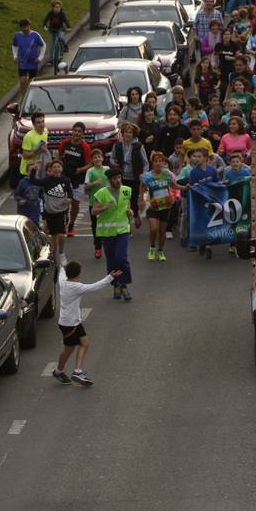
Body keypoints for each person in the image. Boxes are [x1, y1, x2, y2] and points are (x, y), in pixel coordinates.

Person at [52, 261, 124, 386]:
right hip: (71, 324)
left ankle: (67, 371)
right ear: (78, 274)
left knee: (81, 344)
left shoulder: (63, 282)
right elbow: (95, 286)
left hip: (68, 322)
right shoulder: (76, 287)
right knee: (70, 348)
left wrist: (60, 265)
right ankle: (71, 371)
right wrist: (110, 277)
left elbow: (61, 273)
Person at [91, 167, 137, 300]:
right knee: (111, 261)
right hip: (107, 232)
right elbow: (93, 212)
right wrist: (105, 207)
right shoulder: (101, 193)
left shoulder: (127, 190)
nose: (118, 180)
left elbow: (127, 207)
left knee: (121, 258)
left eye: (119, 178)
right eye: (115, 178)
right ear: (109, 180)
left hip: (122, 230)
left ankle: (124, 285)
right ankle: (115, 284)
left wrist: (131, 213)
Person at [139, 151, 178, 262]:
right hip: (153, 206)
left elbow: (174, 186)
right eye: (156, 161)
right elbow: (142, 187)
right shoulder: (147, 176)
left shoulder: (167, 174)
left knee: (162, 231)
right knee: (154, 229)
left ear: (163, 163)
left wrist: (184, 188)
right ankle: (152, 247)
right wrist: (141, 200)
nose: (158, 163)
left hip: (166, 206)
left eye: (160, 161)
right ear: (152, 163)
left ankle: (160, 251)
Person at [12, 18, 46, 101]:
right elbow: (14, 46)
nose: (25, 29)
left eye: (27, 27)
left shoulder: (35, 35)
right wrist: (15, 56)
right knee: (22, 81)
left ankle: (31, 97)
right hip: (22, 62)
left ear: (29, 26)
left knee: (32, 82)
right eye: (23, 27)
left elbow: (43, 45)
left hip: (33, 62)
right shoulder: (17, 36)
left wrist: (40, 58)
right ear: (21, 28)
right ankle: (23, 98)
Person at [42, 0, 71, 73]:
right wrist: (44, 26)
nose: (57, 9)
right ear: (52, 8)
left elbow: (66, 20)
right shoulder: (50, 13)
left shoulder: (62, 14)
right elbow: (45, 20)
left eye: (58, 7)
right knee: (52, 45)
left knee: (61, 38)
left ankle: (65, 46)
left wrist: (68, 27)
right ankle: (51, 60)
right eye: (56, 7)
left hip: (60, 29)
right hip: (52, 30)